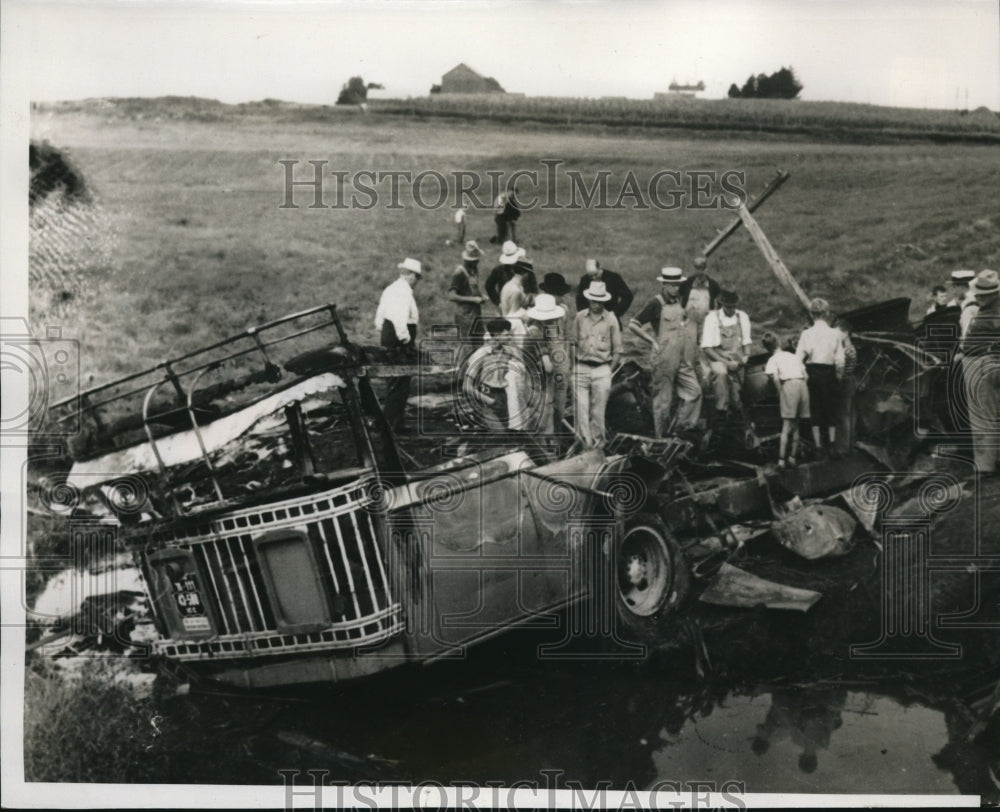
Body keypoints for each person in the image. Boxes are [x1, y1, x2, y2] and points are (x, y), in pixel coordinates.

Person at [628, 267, 702, 437]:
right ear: (664, 285)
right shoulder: (655, 303)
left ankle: (681, 429)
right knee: (663, 401)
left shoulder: (679, 302)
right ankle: (661, 437)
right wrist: (652, 341)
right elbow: (633, 323)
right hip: (664, 358)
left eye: (678, 285)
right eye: (673, 285)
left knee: (694, 392)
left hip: (683, 358)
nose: (677, 288)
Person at [572, 281, 622, 447]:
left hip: (602, 369)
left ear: (604, 301)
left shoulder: (611, 320)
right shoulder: (579, 317)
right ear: (588, 300)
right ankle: (583, 445)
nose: (596, 304)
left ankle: (599, 445)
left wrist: (609, 371)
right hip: (581, 366)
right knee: (581, 409)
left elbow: (617, 350)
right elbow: (573, 342)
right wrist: (574, 366)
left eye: (599, 301)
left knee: (598, 411)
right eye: (593, 301)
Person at [374, 257, 422, 433]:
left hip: (389, 334)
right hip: (398, 337)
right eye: (416, 277)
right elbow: (399, 317)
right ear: (409, 275)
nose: (417, 281)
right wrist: (405, 339)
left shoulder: (391, 288)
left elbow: (380, 317)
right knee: (400, 381)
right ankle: (391, 424)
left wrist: (385, 333)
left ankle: (390, 421)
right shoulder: (402, 291)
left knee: (395, 381)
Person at [960, 269, 1000, 475]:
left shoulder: (978, 314)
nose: (978, 297)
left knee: (982, 417)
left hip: (979, 364)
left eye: (981, 295)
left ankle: (985, 467)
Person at [795, 297, 845, 458]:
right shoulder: (835, 333)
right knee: (831, 409)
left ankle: (818, 447)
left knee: (815, 409)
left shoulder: (806, 334)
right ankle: (831, 445)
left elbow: (798, 359)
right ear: (827, 313)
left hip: (813, 372)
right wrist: (839, 375)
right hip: (829, 372)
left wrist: (804, 373)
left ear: (811, 314)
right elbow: (840, 359)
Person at [701, 289, 752, 423]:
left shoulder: (742, 317)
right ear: (722, 304)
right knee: (721, 373)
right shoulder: (712, 318)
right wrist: (725, 362)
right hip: (717, 357)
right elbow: (707, 348)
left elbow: (747, 341)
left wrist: (746, 355)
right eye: (729, 307)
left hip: (737, 357)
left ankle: (738, 413)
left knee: (738, 395)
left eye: (734, 306)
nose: (732, 309)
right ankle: (721, 411)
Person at [462, 317, 519, 430]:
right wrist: (488, 400)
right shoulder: (480, 354)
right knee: (499, 434)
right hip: (486, 397)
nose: (510, 338)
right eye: (507, 335)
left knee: (509, 432)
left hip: (503, 397)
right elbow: (466, 386)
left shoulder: (508, 352)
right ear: (496, 335)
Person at [763, 331, 809, 469]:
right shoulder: (792, 355)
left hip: (789, 386)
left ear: (767, 348)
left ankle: (781, 461)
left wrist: (780, 393)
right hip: (802, 385)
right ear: (779, 342)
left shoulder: (772, 360)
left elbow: (776, 379)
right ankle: (792, 458)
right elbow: (806, 376)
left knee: (786, 425)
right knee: (796, 424)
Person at [524, 294, 567, 434]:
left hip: (537, 379)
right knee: (542, 420)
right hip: (536, 382)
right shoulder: (535, 333)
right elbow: (548, 366)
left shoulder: (540, 329)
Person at [538, 272, 573, 433]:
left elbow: (566, 336)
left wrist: (567, 362)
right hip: (546, 362)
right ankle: (548, 435)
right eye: (558, 295)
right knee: (547, 401)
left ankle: (558, 431)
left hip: (561, 360)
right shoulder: (539, 313)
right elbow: (537, 340)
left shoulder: (564, 311)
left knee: (561, 399)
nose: (561, 298)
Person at [575, 259, 634, 325]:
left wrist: (616, 313)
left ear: (600, 268)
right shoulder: (584, 280)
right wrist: (585, 314)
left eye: (596, 274)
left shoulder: (614, 278)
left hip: (610, 318)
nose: (594, 278)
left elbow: (628, 296)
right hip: (591, 319)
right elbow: (580, 300)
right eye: (591, 276)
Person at [448, 241, 486, 342]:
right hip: (464, 315)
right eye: (474, 261)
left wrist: (481, 296)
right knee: (467, 344)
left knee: (479, 341)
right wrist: (473, 299)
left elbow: (472, 288)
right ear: (468, 261)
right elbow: (451, 296)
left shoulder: (474, 270)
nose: (477, 262)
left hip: (475, 312)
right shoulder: (459, 273)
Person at [834, 317, 858, 454]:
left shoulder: (847, 350)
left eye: (838, 333)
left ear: (846, 332)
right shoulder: (850, 348)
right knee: (848, 414)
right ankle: (849, 444)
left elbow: (839, 368)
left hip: (844, 382)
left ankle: (842, 448)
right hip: (850, 381)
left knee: (842, 416)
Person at [485, 240, 521, 307]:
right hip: (505, 304)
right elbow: (489, 286)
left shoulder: (523, 269)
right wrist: (498, 302)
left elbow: (532, 287)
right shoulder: (499, 270)